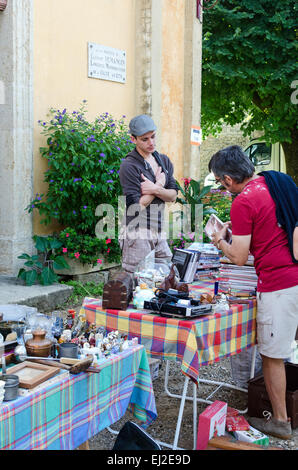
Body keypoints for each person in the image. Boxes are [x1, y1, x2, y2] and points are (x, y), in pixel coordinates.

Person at [208, 145, 298, 440]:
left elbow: (237, 256)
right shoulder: (271, 183)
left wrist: (219, 239)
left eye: (221, 182)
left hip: (278, 284)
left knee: (272, 356)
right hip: (294, 274)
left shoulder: (243, 201)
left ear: (227, 180)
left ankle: (281, 421)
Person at [119, 114, 178, 273]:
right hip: (137, 233)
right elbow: (135, 206)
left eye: (153, 137)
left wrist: (154, 188)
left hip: (158, 230)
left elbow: (173, 195)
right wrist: (160, 184)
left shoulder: (163, 161)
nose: (151, 142)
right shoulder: (129, 166)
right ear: (133, 139)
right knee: (138, 282)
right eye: (145, 139)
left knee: (168, 277)